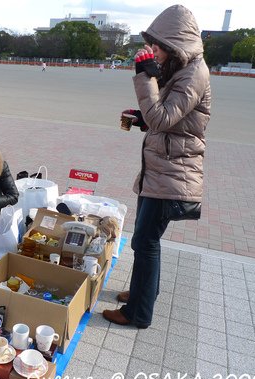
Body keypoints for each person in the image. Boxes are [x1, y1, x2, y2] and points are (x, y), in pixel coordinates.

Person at [102, 5, 211, 329]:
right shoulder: (184, 69)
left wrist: (145, 76)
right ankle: (143, 293)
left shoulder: (194, 74)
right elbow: (166, 119)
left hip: (173, 174)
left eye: (160, 46)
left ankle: (138, 312)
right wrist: (140, 117)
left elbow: (162, 117)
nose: (157, 52)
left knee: (146, 241)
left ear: (177, 44)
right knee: (146, 240)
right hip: (163, 170)